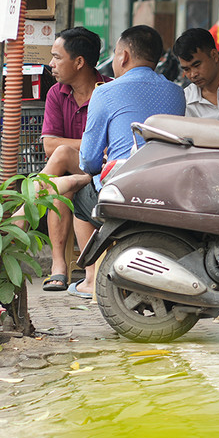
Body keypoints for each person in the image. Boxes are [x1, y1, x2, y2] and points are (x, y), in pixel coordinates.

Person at [72, 26, 185, 283]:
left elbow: (88, 160)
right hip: (167, 191)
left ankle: (91, 280)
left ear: (122, 57)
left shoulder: (104, 91)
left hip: (122, 193)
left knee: (80, 198)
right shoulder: (177, 93)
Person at [36, 27, 106, 293]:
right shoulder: (57, 93)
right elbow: (48, 145)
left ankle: (24, 210)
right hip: (72, 170)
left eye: (57, 57)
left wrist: (80, 148)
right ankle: (59, 267)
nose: (51, 64)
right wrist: (90, 145)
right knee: (59, 186)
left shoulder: (108, 90)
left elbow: (110, 148)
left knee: (63, 155)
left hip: (102, 171)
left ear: (79, 62)